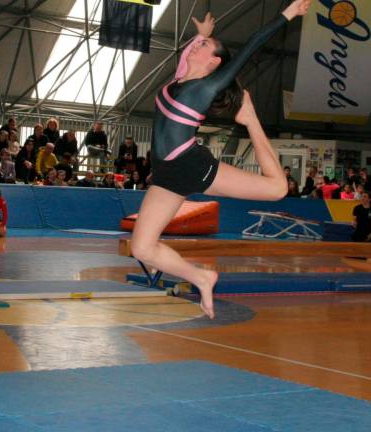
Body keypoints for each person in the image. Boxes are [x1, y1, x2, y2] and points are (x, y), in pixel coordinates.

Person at [131, 2, 309, 319]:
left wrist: (288, 14)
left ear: (214, 62)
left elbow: (252, 45)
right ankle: (202, 277)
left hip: (191, 165)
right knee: (141, 248)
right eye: (196, 45)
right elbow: (186, 58)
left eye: (204, 46)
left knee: (278, 189)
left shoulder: (205, 87)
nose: (194, 47)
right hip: (166, 176)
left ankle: (251, 120)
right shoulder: (178, 81)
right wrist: (201, 35)